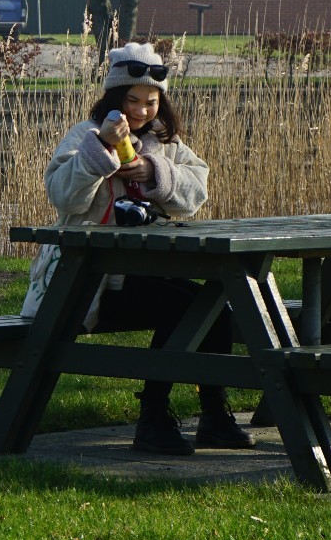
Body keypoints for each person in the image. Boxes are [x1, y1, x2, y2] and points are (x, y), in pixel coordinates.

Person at [18, 41, 253, 455]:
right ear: (114, 98)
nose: (142, 112)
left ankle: (214, 416)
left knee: (214, 305)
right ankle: (152, 417)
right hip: (86, 283)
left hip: (145, 273)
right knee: (181, 307)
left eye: (151, 101)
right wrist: (99, 153)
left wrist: (156, 172)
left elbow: (197, 192)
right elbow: (63, 197)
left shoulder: (166, 145)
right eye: (133, 100)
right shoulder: (84, 137)